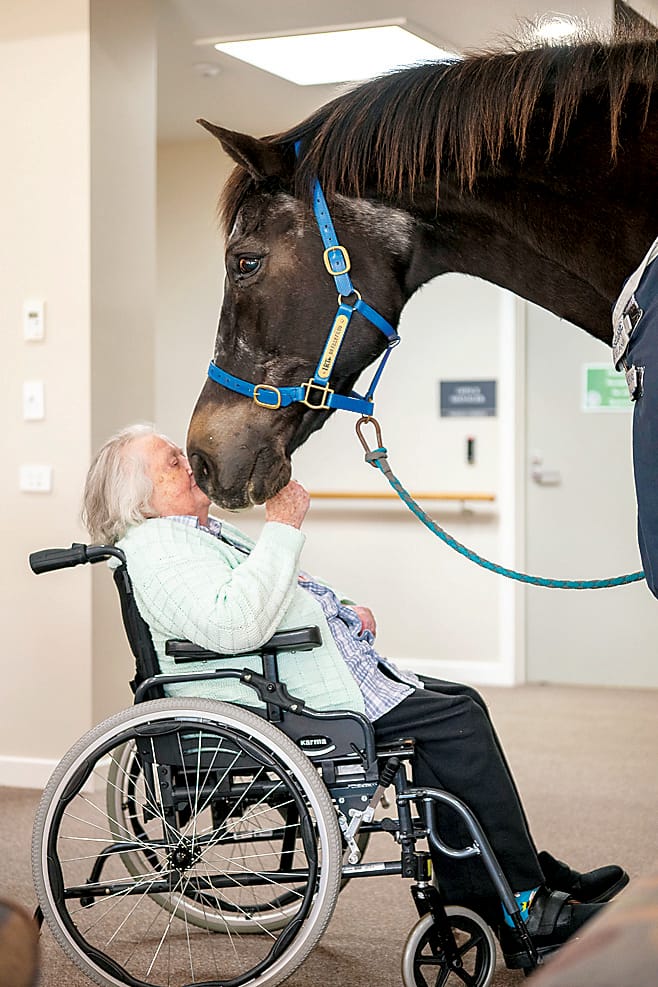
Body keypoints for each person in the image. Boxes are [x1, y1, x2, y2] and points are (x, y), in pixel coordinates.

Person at [82, 423, 629, 967]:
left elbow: (285, 590)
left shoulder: (195, 535)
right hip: (277, 705)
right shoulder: (160, 551)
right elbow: (234, 624)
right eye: (172, 463)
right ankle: (523, 904)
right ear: (143, 502)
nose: (189, 462)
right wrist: (282, 525)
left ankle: (512, 880)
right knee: (454, 723)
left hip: (297, 682)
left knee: (461, 704)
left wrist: (341, 607)